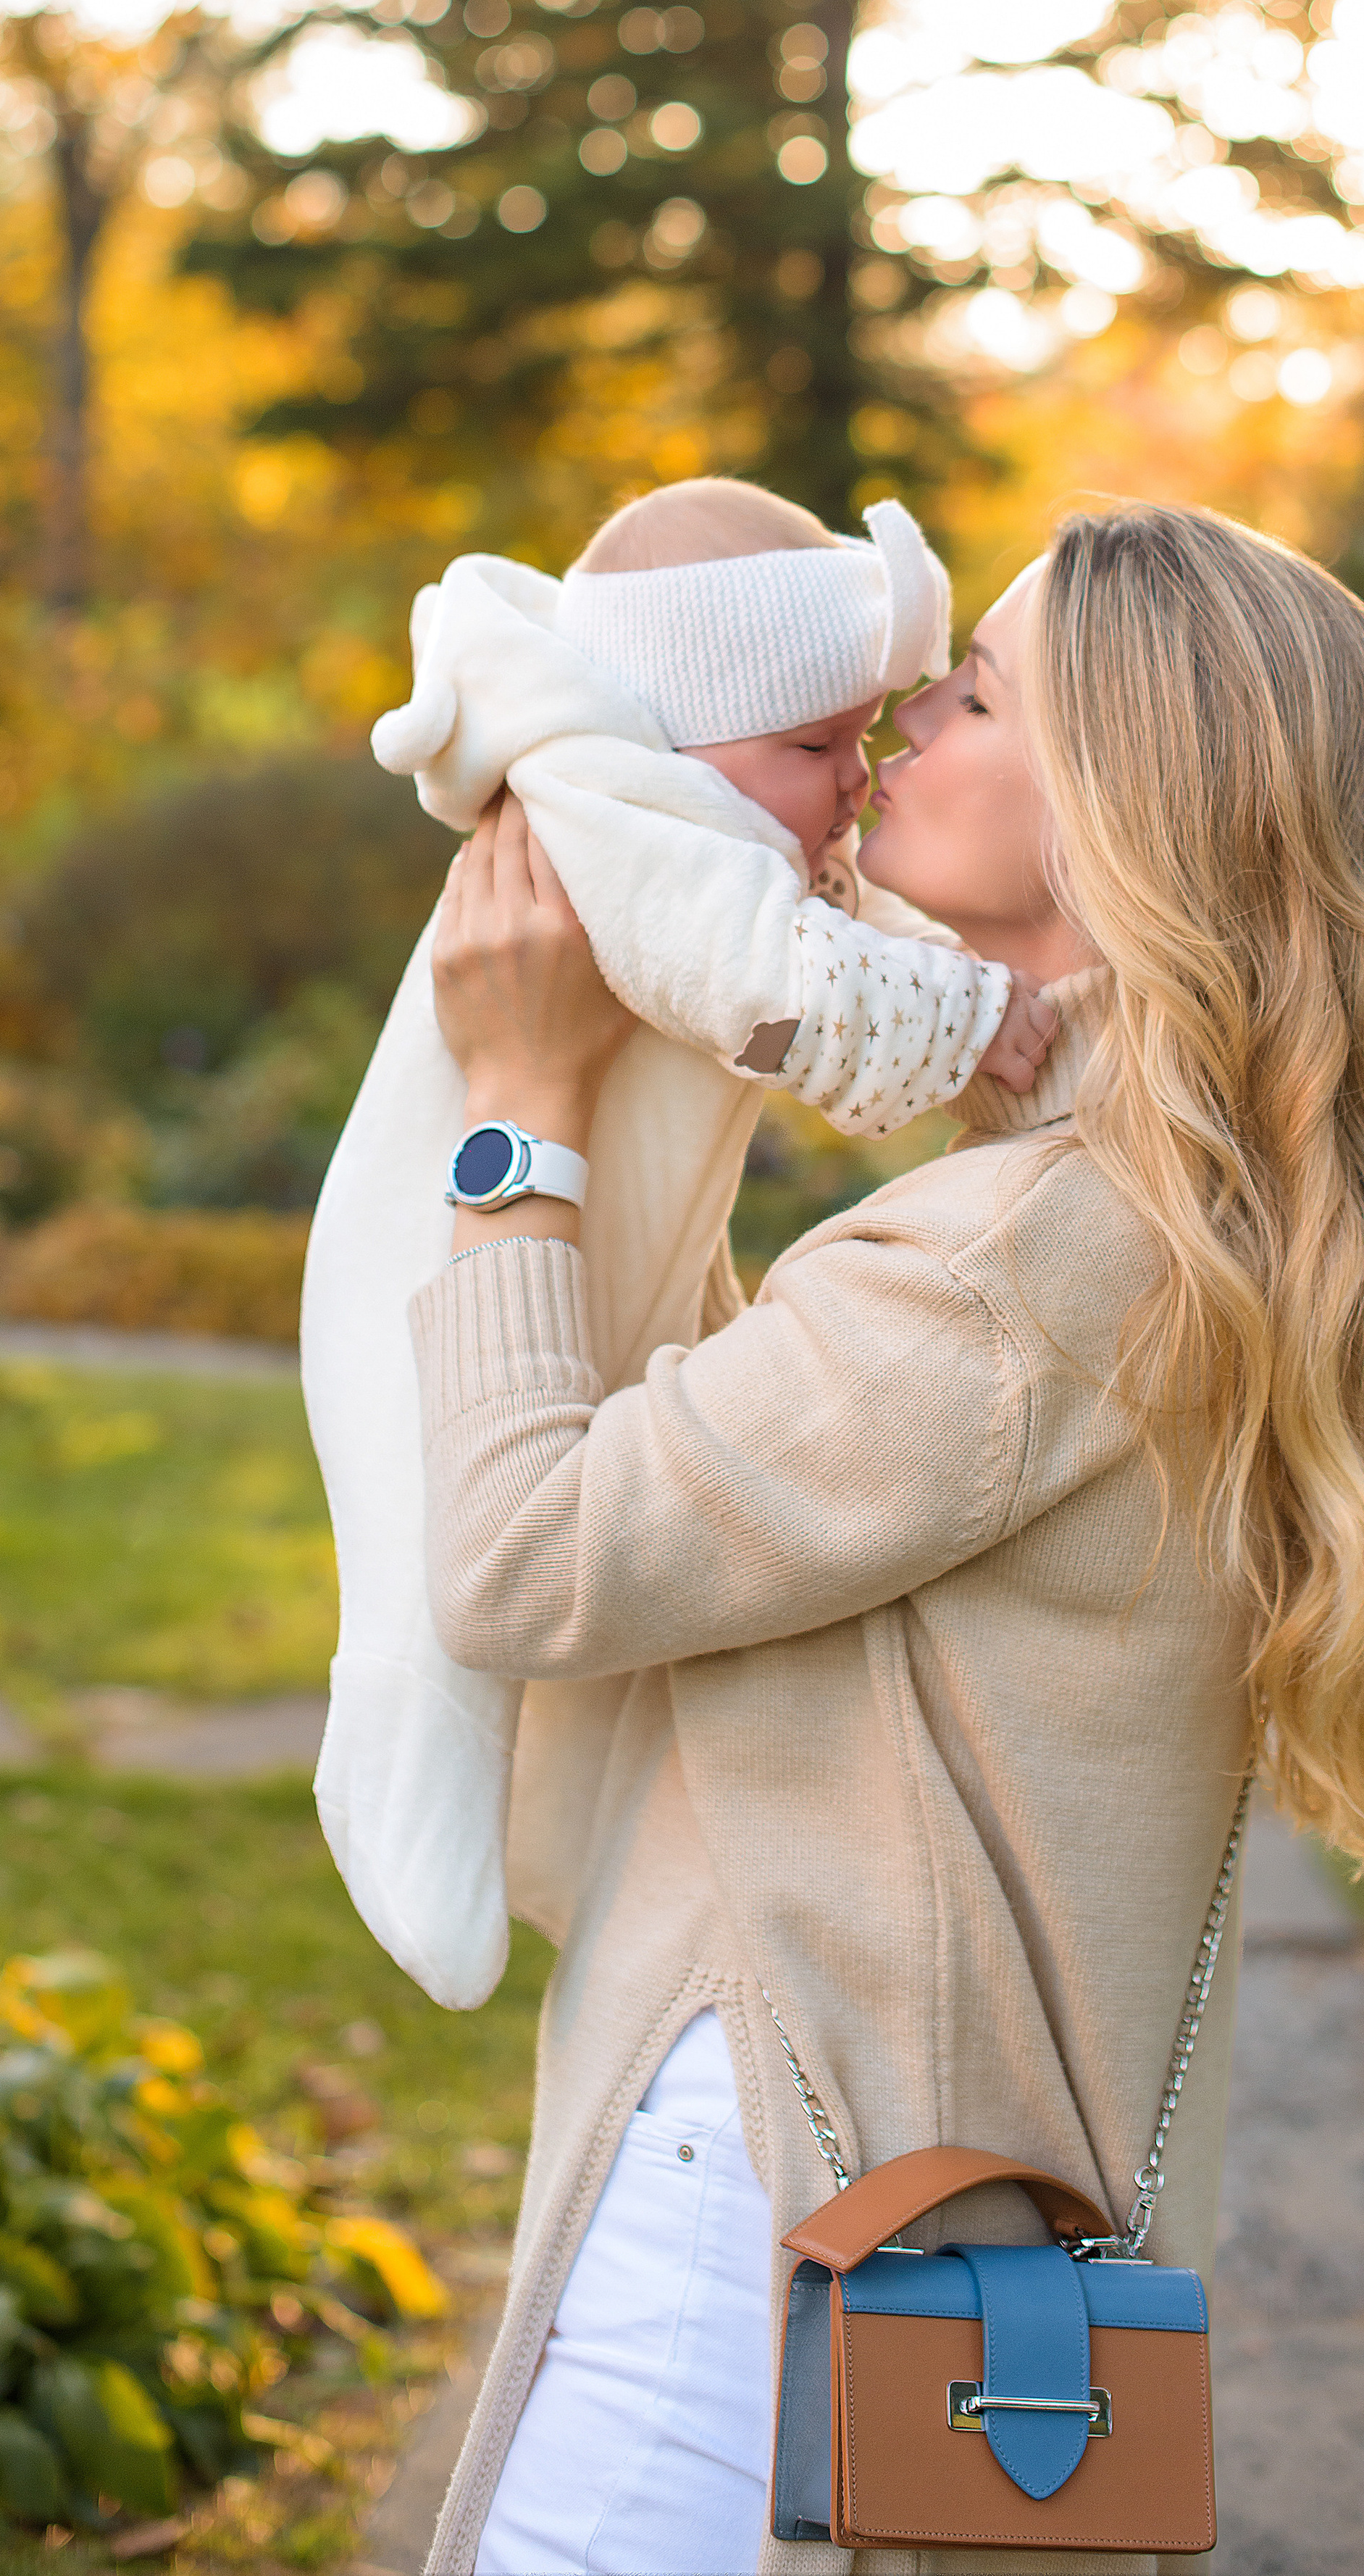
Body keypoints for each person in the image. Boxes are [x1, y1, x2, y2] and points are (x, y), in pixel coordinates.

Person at [409, 503, 1364, 2576]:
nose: (888, 733)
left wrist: (522, 1119)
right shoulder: (1166, 1224)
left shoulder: (1025, 1258)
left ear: (1131, 805)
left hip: (767, 2208)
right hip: (924, 2222)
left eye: (969, 694)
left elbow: (528, 1557)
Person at [306, 479, 1053, 2018]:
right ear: (682, 726)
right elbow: (767, 990)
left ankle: (552, 1850)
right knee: (422, 1564)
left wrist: (947, 984)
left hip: (581, 1256)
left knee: (580, 1594)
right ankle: (394, 1759)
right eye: (815, 748)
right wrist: (973, 1014)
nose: (860, 780)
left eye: (874, 731)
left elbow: (828, 943)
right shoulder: (609, 811)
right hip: (428, 1267)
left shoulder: (709, 811)